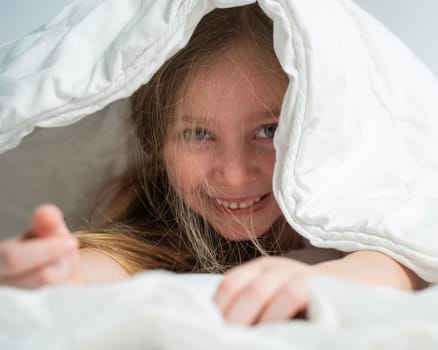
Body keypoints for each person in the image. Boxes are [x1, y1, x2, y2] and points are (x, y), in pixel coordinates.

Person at [0, 4, 422, 325]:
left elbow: (406, 259)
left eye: (269, 131)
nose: (234, 174)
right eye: (198, 134)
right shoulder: (158, 214)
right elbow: (114, 261)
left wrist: (332, 277)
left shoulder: (364, 197)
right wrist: (58, 275)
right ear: (156, 143)